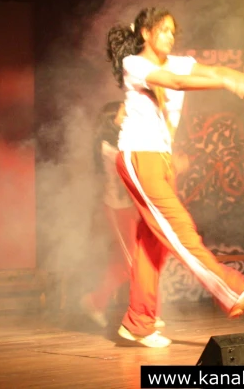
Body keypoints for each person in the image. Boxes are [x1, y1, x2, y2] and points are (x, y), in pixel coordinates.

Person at [105, 7, 244, 348]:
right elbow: (177, 83)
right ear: (145, 34)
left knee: (151, 244)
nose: (170, 36)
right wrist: (229, 83)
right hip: (140, 156)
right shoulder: (135, 65)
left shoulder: (178, 60)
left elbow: (210, 69)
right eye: (163, 30)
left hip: (161, 158)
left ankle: (138, 322)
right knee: (179, 229)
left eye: (173, 31)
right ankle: (232, 289)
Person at [79, 101, 164, 329]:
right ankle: (101, 303)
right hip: (118, 209)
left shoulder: (124, 143)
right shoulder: (110, 147)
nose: (129, 116)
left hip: (132, 207)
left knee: (138, 260)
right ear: (111, 120)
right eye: (124, 113)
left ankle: (145, 311)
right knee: (133, 263)